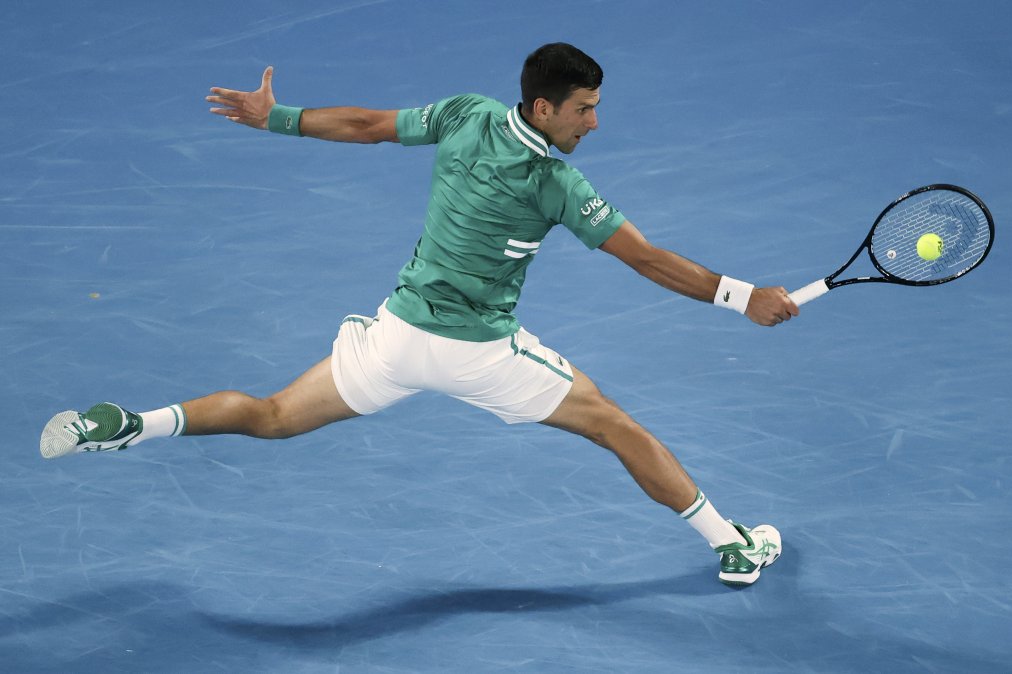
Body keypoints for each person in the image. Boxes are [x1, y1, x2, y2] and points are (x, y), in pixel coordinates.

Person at [40, 43, 798, 586]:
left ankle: (131, 423)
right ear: (544, 108)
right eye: (584, 110)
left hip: (395, 341)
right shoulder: (559, 184)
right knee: (616, 427)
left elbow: (368, 125)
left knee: (271, 415)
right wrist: (744, 297)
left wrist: (278, 119)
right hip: (480, 354)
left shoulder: (467, 114)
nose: (593, 123)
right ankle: (732, 546)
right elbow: (648, 260)